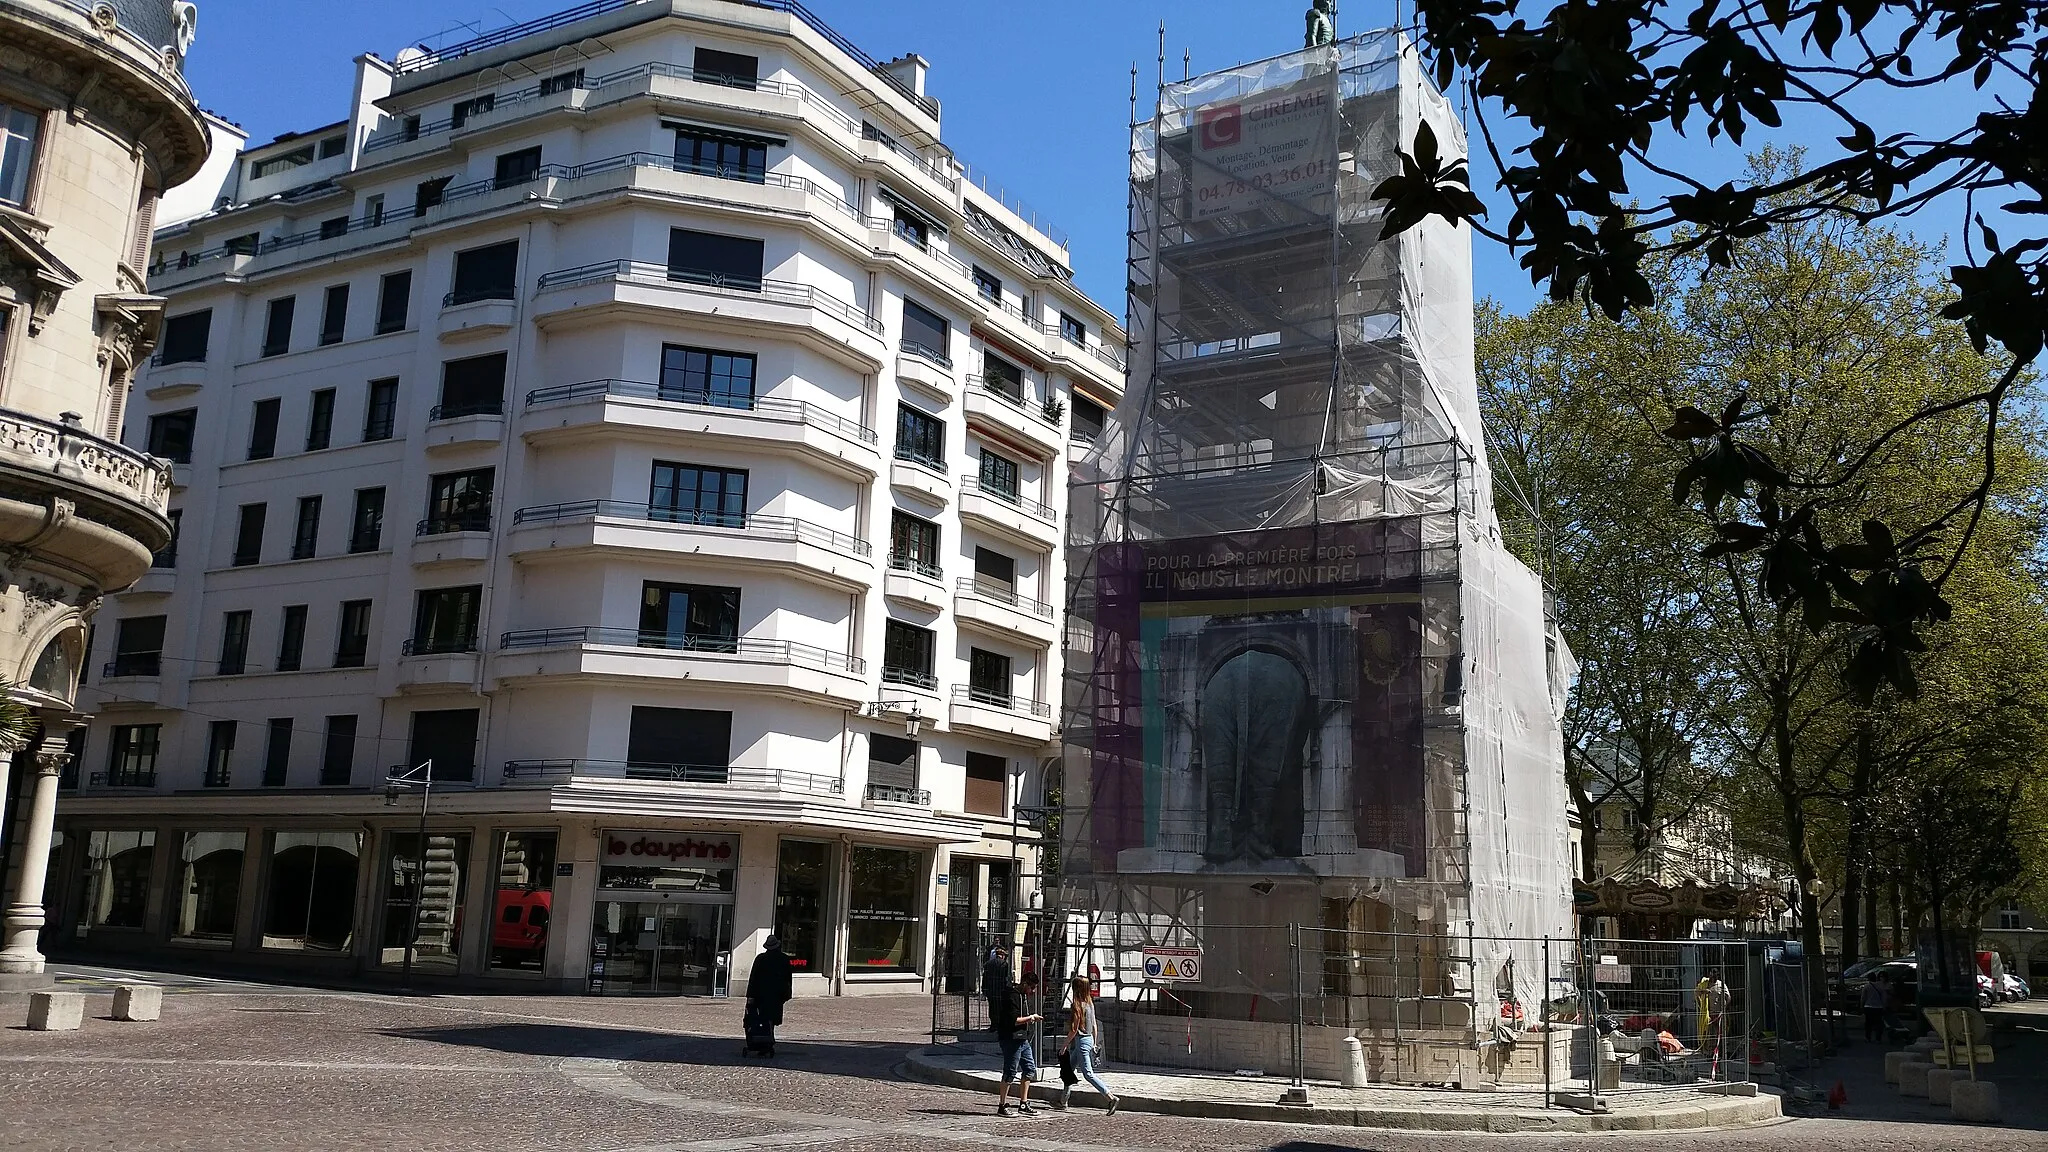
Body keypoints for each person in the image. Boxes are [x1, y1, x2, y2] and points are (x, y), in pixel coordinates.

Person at [985, 946, 1043, 1116]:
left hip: (1022, 1038)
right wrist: (1031, 1018)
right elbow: (1013, 1020)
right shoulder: (1012, 995)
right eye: (1031, 988)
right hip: (1010, 1037)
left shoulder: (1023, 996)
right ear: (1025, 984)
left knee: (1030, 1069)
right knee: (1010, 1071)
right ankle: (1002, 1105)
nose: (1032, 992)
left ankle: (1023, 1103)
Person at [1058, 975, 1120, 1114]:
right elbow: (1094, 1025)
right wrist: (1094, 1041)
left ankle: (1110, 1097)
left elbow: (1074, 1029)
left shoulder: (1077, 1005)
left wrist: (1064, 1045)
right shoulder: (1090, 1003)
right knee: (1069, 1070)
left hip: (1081, 1041)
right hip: (1088, 1039)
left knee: (1088, 1074)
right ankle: (1063, 1101)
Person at [743, 935, 794, 1058]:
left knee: (760, 1018)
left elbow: (753, 978)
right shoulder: (784, 959)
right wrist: (786, 994)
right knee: (771, 1019)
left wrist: (750, 996)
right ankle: (768, 1040)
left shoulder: (761, 959)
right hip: (776, 995)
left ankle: (760, 1041)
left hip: (761, 995)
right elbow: (788, 979)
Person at [1862, 973, 1890, 1042]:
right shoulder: (1881, 986)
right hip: (1879, 1007)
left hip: (1868, 1006)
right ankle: (1878, 1038)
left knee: (1868, 1023)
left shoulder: (1866, 986)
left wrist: (1862, 1006)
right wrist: (1884, 1006)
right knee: (1879, 1023)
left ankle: (1868, 1037)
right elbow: (1884, 997)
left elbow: (1863, 998)